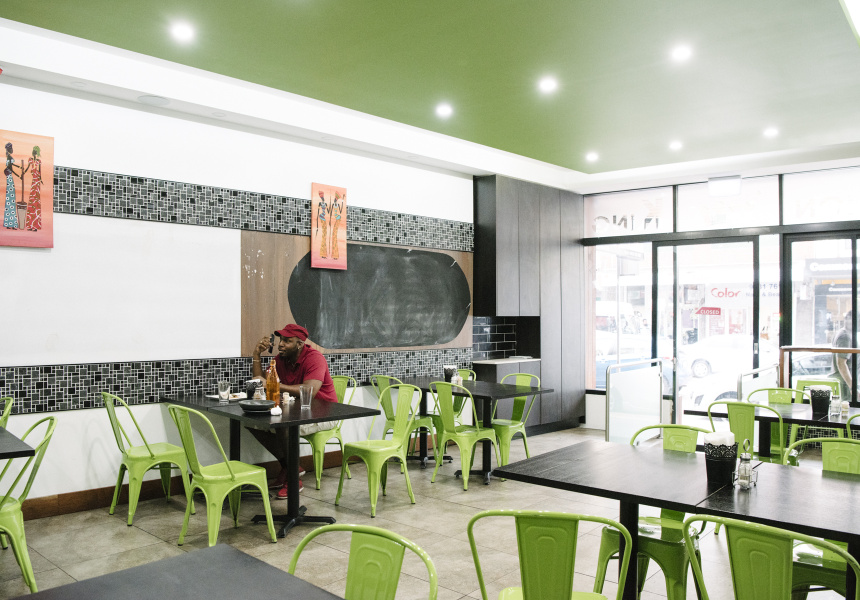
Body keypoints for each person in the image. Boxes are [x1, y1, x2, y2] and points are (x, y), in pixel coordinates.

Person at [250, 324, 336, 499]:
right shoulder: (281, 359)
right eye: (281, 340)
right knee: (253, 422)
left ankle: (293, 479)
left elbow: (309, 390)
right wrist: (256, 355)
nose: (281, 344)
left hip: (325, 413)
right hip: (297, 411)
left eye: (287, 341)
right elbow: (260, 383)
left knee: (284, 426)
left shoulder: (315, 358)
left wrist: (273, 384)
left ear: (299, 344)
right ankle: (290, 467)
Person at [831, 310, 854, 401]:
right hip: (845, 383)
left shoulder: (842, 333)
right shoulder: (845, 336)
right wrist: (852, 387)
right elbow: (841, 364)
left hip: (844, 382)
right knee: (847, 407)